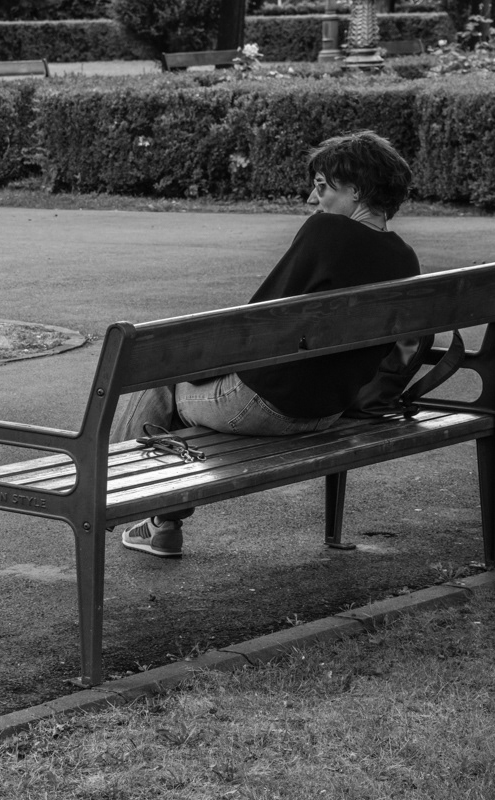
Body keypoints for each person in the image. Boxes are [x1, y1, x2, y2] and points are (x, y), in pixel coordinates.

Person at [112, 130, 420, 558]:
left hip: (265, 406)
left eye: (322, 186)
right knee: (179, 383)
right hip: (328, 411)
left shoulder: (326, 232)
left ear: (356, 190)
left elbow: (258, 322)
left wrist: (199, 370)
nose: (314, 199)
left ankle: (123, 497)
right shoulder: (405, 257)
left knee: (160, 374)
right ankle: (155, 519)